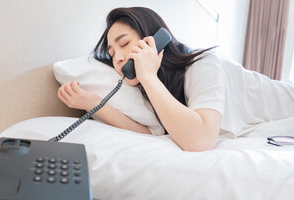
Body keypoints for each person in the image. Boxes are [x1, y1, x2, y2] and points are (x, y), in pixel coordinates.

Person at [57, 7, 294, 151]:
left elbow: (200, 140)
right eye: (112, 54)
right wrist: (93, 103)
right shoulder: (157, 87)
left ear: (155, 40)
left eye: (124, 44)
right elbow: (154, 131)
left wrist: (148, 76)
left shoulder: (203, 65)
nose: (118, 58)